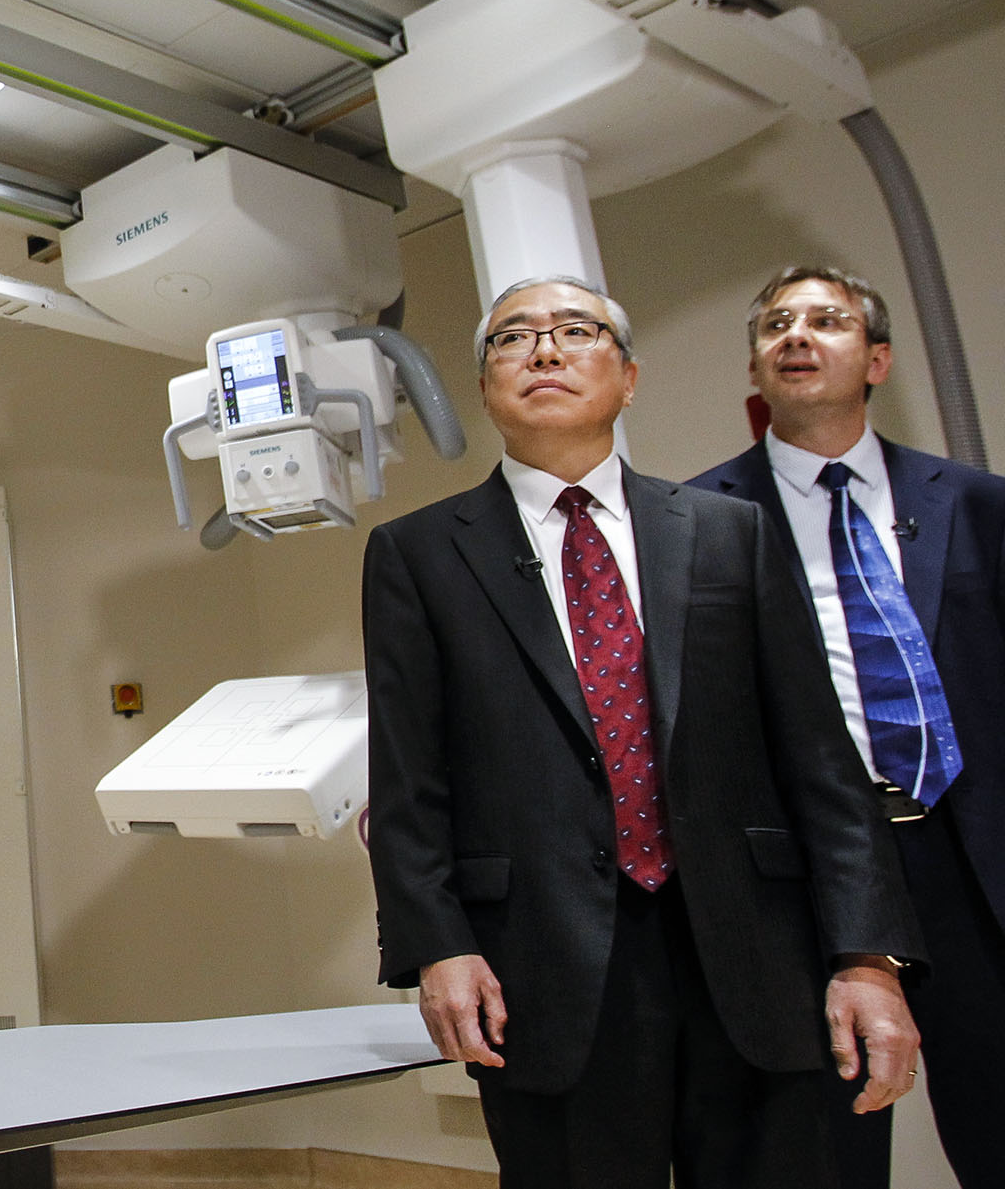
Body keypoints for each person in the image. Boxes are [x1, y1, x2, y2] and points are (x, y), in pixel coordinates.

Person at [363, 275, 921, 1189]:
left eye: (574, 330)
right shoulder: (419, 554)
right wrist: (437, 943)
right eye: (511, 338)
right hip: (540, 965)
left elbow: (821, 760)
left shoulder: (727, 533)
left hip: (749, 954)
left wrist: (868, 956)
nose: (543, 349)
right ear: (484, 386)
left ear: (628, 377)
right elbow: (409, 777)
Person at [690, 266, 1005, 1189]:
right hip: (810, 878)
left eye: (827, 320)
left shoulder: (977, 503)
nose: (797, 334)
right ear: (755, 364)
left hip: (972, 863)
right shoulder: (697, 523)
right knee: (826, 1149)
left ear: (877, 358)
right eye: (777, 323)